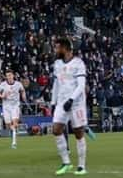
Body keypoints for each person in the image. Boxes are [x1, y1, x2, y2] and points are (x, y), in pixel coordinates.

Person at [51, 37, 88, 176]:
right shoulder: (57, 64)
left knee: (78, 133)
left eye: (57, 47)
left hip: (76, 103)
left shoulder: (78, 63)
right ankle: (66, 162)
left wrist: (71, 100)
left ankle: (81, 166)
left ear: (64, 48)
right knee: (56, 130)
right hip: (61, 102)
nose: (55, 50)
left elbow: (81, 85)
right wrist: (53, 103)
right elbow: (56, 84)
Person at [0, 70, 26, 149]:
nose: (8, 77)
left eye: (9, 75)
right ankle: (14, 132)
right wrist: (2, 96)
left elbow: (22, 90)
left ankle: (14, 143)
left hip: (15, 106)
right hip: (6, 107)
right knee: (8, 125)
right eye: (7, 75)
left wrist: (23, 96)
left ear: (13, 76)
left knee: (14, 124)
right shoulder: (3, 84)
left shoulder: (18, 84)